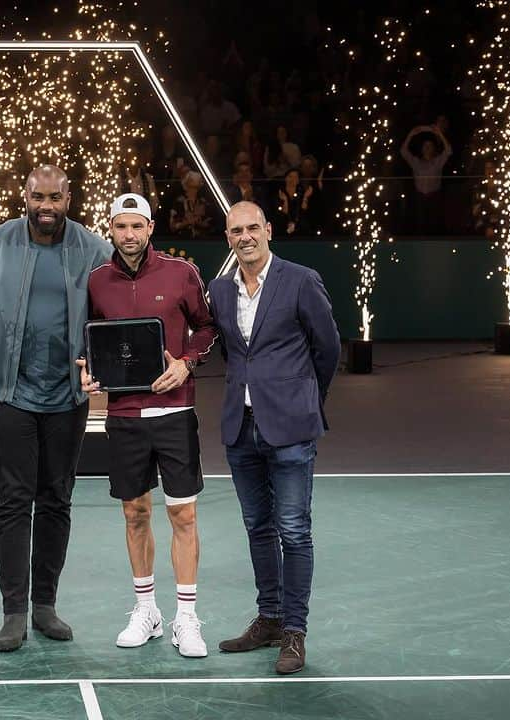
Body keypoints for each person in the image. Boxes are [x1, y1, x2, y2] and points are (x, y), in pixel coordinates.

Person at [0, 165, 110, 652]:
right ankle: (14, 613)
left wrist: (102, 370)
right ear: (23, 195)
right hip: (9, 396)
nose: (46, 205)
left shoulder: (94, 249)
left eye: (55, 197)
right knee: (12, 501)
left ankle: (45, 605)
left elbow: (112, 319)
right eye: (37, 196)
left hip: (68, 398)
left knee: (56, 500)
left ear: (69, 197)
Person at [77, 193, 218, 657]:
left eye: (138, 226)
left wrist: (187, 362)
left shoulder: (182, 273)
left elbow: (206, 326)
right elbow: (89, 340)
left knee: (184, 514)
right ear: (111, 229)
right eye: (121, 227)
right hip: (123, 417)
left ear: (150, 228)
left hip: (175, 413)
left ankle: (186, 617)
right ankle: (147, 610)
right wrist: (87, 368)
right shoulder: (97, 281)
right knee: (134, 513)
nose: (130, 235)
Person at [206, 201, 340, 675]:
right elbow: (225, 350)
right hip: (240, 430)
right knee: (258, 529)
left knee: (294, 531)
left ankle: (294, 633)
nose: (244, 237)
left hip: (290, 430)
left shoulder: (301, 280)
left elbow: (328, 349)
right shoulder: (220, 292)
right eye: (235, 231)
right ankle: (268, 619)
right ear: (228, 239)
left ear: (268, 230)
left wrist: (302, 397)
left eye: (251, 228)